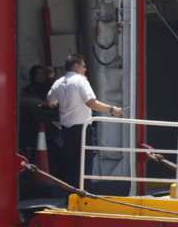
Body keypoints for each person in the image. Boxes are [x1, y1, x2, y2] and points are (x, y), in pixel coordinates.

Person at [47, 54, 122, 192]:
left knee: (71, 163)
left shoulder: (58, 82)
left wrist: (54, 103)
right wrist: (111, 109)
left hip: (66, 129)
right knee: (85, 164)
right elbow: (91, 103)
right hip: (81, 128)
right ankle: (85, 194)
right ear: (76, 66)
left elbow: (49, 100)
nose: (85, 69)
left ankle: (72, 194)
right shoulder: (81, 81)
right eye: (83, 66)